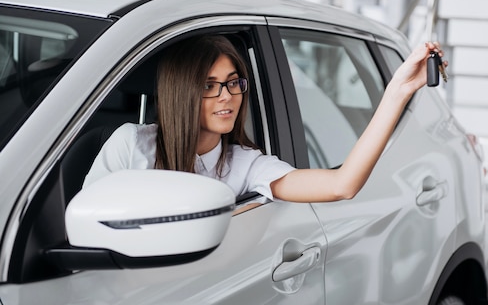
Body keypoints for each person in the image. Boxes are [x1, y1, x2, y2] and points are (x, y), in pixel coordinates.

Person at [83, 34, 446, 206]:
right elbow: (83, 231)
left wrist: (398, 90)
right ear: (182, 94)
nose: (227, 96)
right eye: (209, 86)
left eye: (233, 83)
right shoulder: (131, 145)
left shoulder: (245, 165)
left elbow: (342, 185)